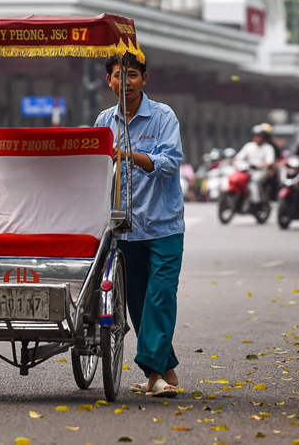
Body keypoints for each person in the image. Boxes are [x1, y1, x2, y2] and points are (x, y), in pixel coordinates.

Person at [94, 54, 184, 398]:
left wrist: (129, 154)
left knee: (160, 296)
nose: (126, 82)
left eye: (133, 75)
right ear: (110, 81)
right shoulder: (104, 120)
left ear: (144, 79)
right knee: (138, 302)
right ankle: (165, 368)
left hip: (163, 225)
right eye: (120, 76)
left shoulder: (163, 117)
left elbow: (170, 162)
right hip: (124, 229)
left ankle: (155, 374)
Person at [234, 126, 276, 206]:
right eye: (255, 135)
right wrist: (235, 161)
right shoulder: (248, 146)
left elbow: (269, 161)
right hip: (247, 170)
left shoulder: (268, 148)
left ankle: (256, 201)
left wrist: (261, 166)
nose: (257, 138)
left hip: (261, 171)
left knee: (253, 182)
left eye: (259, 136)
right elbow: (239, 157)